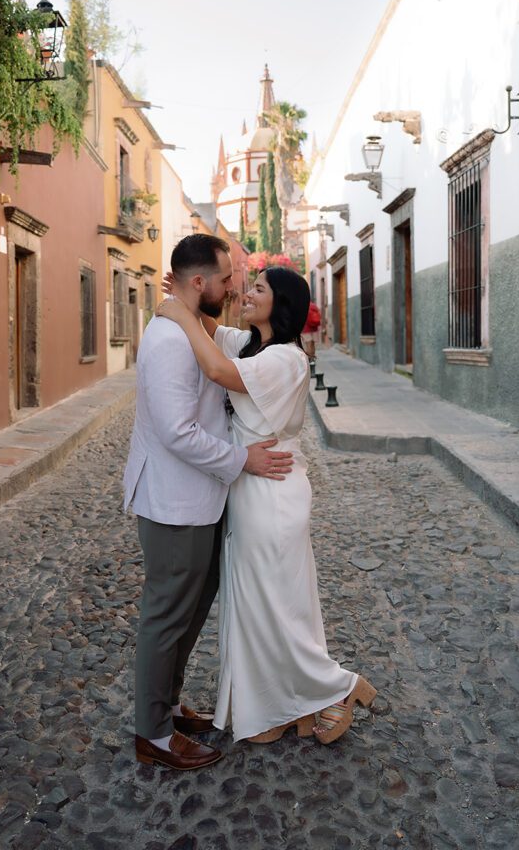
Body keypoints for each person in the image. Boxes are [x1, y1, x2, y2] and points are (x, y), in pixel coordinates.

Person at [156, 266, 376, 745]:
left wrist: (175, 310)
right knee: (257, 603)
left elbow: (214, 367)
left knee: (277, 604)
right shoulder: (254, 346)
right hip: (251, 488)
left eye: (258, 289)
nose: (246, 296)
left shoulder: (285, 360)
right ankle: (275, 707)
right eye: (247, 287)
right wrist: (189, 293)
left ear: (283, 304)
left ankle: (336, 687)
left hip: (271, 493)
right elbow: (213, 332)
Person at [123, 234, 294, 771]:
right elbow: (177, 431)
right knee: (166, 615)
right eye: (227, 278)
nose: (234, 286)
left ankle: (168, 706)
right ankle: (151, 732)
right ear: (202, 283)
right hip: (173, 502)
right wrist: (242, 461)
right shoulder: (170, 340)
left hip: (200, 500)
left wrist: (185, 311)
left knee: (191, 610)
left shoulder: (192, 328)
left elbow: (234, 354)